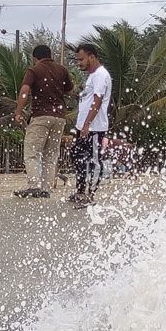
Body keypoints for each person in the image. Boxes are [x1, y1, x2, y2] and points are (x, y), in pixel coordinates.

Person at [14, 45, 74, 198]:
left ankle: (34, 186)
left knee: (32, 152)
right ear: (51, 55)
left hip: (41, 115)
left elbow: (25, 90)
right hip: (59, 117)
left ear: (35, 58)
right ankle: (46, 189)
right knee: (51, 154)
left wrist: (19, 111)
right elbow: (69, 89)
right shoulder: (62, 70)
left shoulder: (34, 70)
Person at [71, 43, 113, 209]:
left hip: (95, 127)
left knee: (94, 161)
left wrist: (87, 124)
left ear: (92, 57)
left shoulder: (101, 75)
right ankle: (80, 191)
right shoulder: (92, 76)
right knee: (79, 158)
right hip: (84, 127)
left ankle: (91, 194)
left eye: (81, 59)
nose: (79, 63)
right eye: (77, 60)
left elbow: (97, 100)